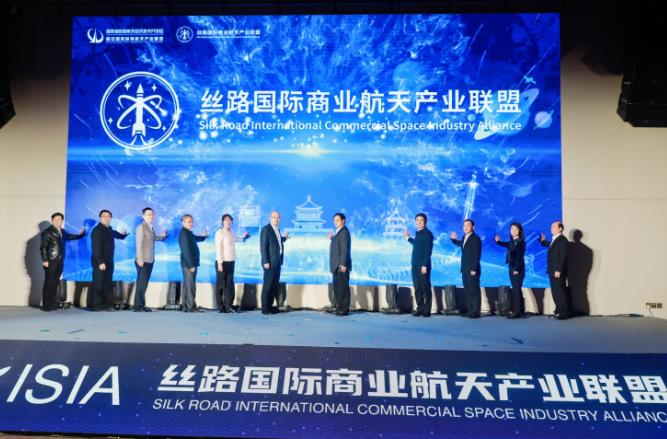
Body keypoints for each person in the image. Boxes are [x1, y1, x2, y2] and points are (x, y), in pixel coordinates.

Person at [39, 212, 86, 311]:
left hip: (60, 260)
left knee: (55, 283)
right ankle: (46, 305)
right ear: (52, 221)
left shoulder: (62, 231)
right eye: (55, 219)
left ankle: (51, 303)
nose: (57, 221)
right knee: (49, 283)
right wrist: (45, 260)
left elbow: (69, 237)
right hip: (51, 260)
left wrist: (80, 235)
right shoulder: (47, 232)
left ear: (62, 221)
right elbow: (43, 247)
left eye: (59, 219)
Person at [90, 210, 128, 311]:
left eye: (108, 216)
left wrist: (123, 235)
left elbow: (117, 235)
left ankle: (104, 304)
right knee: (99, 283)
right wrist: (100, 262)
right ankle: (96, 305)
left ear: (111, 218)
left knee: (107, 283)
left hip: (109, 260)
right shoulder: (97, 230)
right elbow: (96, 248)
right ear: (100, 218)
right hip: (100, 261)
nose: (106, 218)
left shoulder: (109, 229)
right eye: (104, 216)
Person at [134, 207, 167, 312]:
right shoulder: (141, 227)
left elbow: (153, 238)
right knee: (142, 284)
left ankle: (140, 305)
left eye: (152, 214)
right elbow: (138, 244)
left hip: (150, 259)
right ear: (143, 216)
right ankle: (138, 306)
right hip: (143, 260)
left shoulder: (150, 227)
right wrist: (140, 259)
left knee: (143, 284)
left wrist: (162, 237)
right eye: (149, 214)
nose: (151, 216)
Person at [215, 213, 249, 313]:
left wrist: (244, 238)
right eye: (226, 220)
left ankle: (228, 305)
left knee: (229, 285)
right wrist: (220, 263)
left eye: (230, 220)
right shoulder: (219, 233)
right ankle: (220, 306)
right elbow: (218, 249)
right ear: (222, 222)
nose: (228, 222)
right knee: (220, 285)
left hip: (231, 261)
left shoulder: (231, 232)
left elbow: (237, 238)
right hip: (222, 262)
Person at [450, 219, 482, 318]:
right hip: (465, 268)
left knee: (474, 290)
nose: (465, 227)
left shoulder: (476, 238)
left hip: (472, 269)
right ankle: (471, 310)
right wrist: (454, 240)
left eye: (468, 225)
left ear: (473, 227)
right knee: (468, 290)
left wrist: (474, 269)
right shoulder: (465, 237)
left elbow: (477, 255)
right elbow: (461, 244)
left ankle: (476, 312)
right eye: (464, 225)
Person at [404, 213, 434, 317]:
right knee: (417, 288)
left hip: (423, 266)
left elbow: (428, 250)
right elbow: (417, 244)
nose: (419, 222)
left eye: (421, 220)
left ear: (425, 221)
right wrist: (408, 238)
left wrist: (424, 265)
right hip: (415, 264)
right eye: (417, 220)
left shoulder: (428, 234)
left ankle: (427, 310)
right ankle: (420, 308)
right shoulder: (419, 233)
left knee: (425, 288)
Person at [259, 211, 289, 314]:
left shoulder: (277, 229)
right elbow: (263, 247)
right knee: (268, 285)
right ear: (270, 218)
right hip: (269, 263)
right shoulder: (266, 229)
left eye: (278, 217)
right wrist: (265, 261)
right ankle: (265, 308)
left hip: (278, 261)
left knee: (274, 285)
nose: (277, 219)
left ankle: (270, 306)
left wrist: (284, 238)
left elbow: (277, 241)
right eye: (274, 217)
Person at [495, 222, 526, 319]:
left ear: (519, 231)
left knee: (516, 290)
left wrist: (517, 268)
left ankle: (517, 312)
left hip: (517, 268)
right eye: (512, 229)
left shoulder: (520, 242)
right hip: (512, 267)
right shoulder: (512, 241)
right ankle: (520, 311)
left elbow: (520, 257)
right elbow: (506, 244)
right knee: (517, 289)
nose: (513, 231)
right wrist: (498, 242)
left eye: (516, 229)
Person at [178, 214, 208, 313]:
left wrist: (203, 237)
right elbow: (186, 251)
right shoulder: (184, 234)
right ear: (183, 222)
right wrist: (191, 265)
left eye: (191, 221)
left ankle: (186, 306)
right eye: (188, 222)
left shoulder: (187, 233)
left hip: (189, 264)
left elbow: (196, 238)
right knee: (190, 286)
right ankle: (191, 307)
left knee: (187, 286)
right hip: (189, 264)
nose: (191, 223)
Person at [540, 221, 570, 320]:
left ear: (560, 229)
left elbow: (563, 257)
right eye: (551, 227)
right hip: (552, 270)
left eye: (553, 227)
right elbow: (551, 245)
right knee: (555, 291)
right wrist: (543, 241)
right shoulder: (555, 240)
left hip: (558, 271)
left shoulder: (563, 241)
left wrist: (558, 270)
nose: (551, 229)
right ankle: (559, 311)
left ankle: (564, 313)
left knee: (560, 291)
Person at [328, 213, 352, 316]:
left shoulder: (344, 232)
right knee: (337, 288)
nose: (335, 222)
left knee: (343, 288)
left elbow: (344, 249)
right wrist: (332, 238)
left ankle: (344, 309)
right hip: (336, 266)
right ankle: (339, 307)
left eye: (337, 220)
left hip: (341, 266)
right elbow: (338, 245)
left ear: (343, 221)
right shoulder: (339, 232)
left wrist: (343, 264)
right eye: (334, 220)